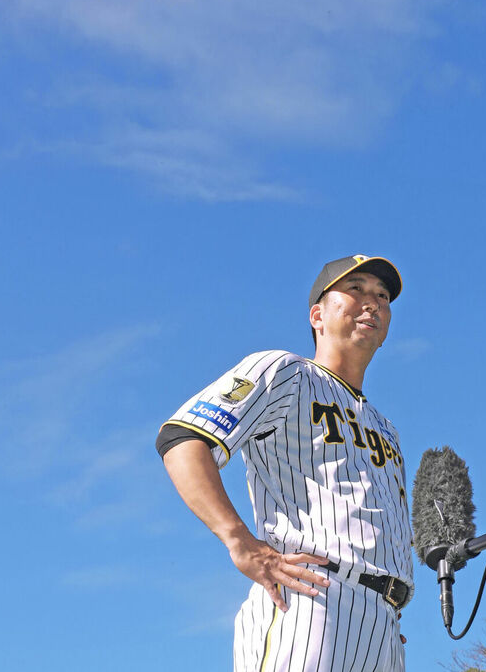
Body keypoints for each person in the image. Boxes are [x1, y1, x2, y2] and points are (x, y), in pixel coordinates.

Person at [156, 255, 413, 672]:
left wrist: (383, 609)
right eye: (357, 290)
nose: (373, 303)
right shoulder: (285, 372)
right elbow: (183, 438)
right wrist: (239, 540)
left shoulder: (387, 429)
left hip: (384, 622)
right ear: (318, 315)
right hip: (312, 598)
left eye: (383, 297)